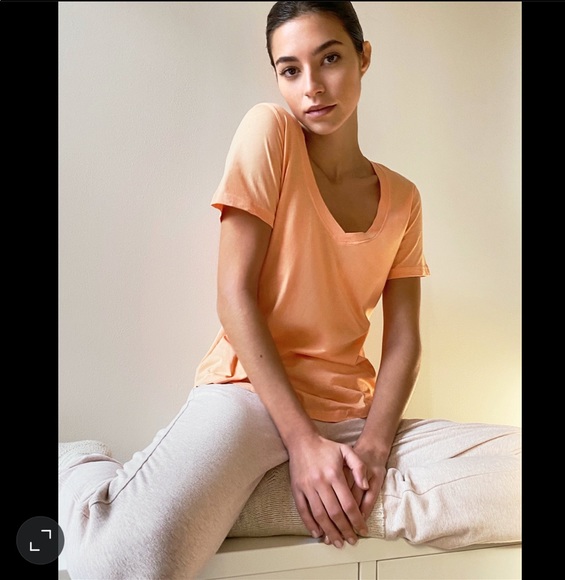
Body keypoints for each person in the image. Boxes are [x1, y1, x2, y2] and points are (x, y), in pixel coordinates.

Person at [58, 2, 521, 578]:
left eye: (330, 59)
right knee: (120, 565)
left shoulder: (404, 198)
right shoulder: (270, 132)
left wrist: (373, 449)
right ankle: (77, 466)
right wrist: (302, 446)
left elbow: (404, 343)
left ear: (363, 58)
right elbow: (234, 296)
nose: (312, 86)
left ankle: (306, 495)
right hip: (249, 397)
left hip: (351, 417)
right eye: (290, 69)